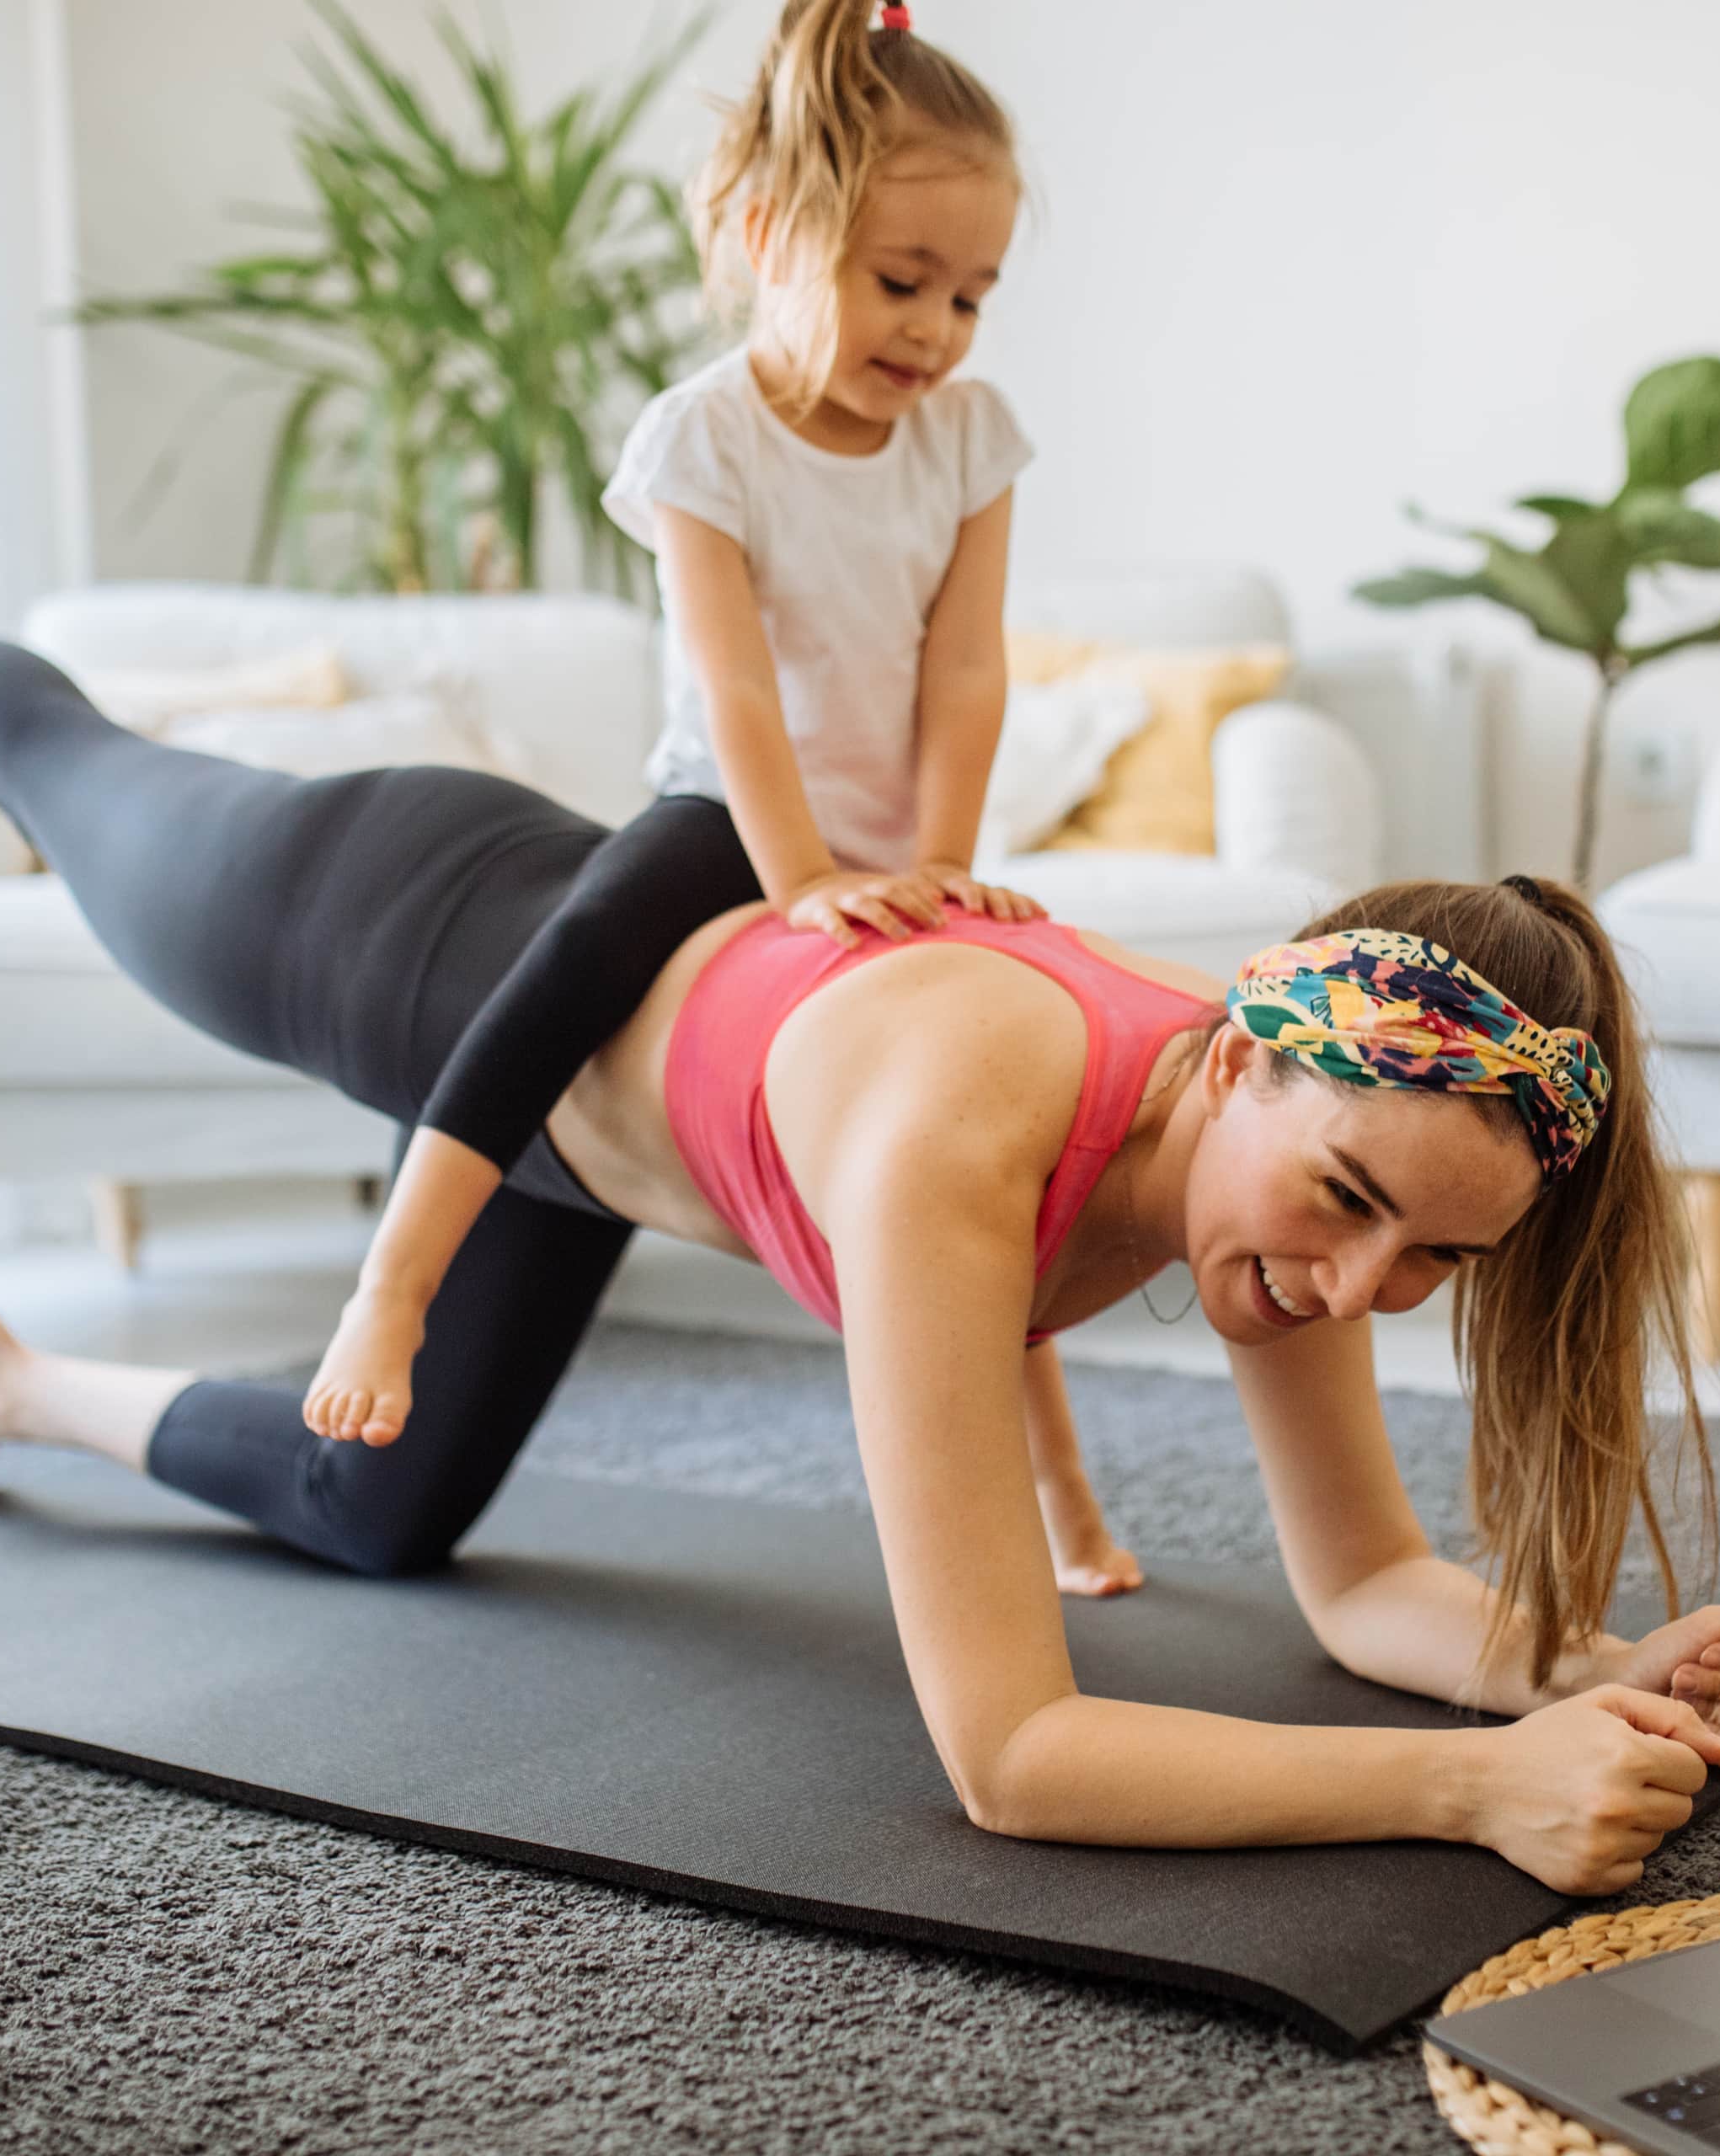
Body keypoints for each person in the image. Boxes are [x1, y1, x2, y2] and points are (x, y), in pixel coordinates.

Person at [0, 530, 1720, 1903]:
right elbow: (1011, 1755)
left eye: (1439, 1260)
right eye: (1353, 1208)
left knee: (377, 1510)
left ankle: (1, 1372)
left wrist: (1599, 1675)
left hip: (622, 1130)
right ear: (1245, 1045)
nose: (1361, 1286)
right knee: (73, 771)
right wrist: (1468, 1783)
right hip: (406, 933)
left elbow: (1364, 1590)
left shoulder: (1332, 1160)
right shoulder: (963, 1130)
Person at [288, 0, 1153, 1589]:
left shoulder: (968, 438)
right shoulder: (706, 438)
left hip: (898, 839)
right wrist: (804, 874)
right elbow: (738, 686)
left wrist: (943, 866)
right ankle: (396, 1284)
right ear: (765, 230)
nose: (938, 329)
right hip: (726, 818)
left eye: (972, 295)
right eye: (902, 283)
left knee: (975, 1154)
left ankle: (1062, 1497)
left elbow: (964, 676)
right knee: (559, 972)